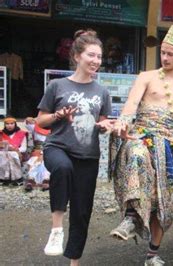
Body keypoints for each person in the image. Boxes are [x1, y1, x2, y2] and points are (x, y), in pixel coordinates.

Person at [109, 24, 173, 266]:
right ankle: (131, 217)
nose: (164, 57)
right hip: (141, 136)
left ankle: (152, 254)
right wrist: (122, 123)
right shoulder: (146, 77)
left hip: (168, 147)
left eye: (170, 54)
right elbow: (130, 106)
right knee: (138, 155)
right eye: (162, 52)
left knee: (163, 205)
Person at [36, 29, 113, 266]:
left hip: (88, 156)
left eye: (99, 57)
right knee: (62, 168)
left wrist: (105, 126)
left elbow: (103, 121)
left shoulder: (102, 92)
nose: (96, 61)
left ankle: (74, 262)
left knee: (81, 212)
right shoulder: (58, 85)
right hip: (58, 147)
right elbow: (40, 120)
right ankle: (57, 229)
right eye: (91, 55)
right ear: (77, 56)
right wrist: (59, 115)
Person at [24, 121, 51, 192]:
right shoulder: (35, 127)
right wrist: (31, 120)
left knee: (46, 162)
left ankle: (46, 181)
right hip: (37, 151)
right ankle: (31, 180)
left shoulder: (55, 128)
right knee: (34, 162)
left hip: (50, 151)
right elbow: (28, 123)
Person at [0, 116, 27, 186]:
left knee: (12, 154)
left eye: (12, 123)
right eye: (7, 124)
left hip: (17, 153)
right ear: (5, 125)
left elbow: (24, 148)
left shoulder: (21, 134)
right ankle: (3, 178)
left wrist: (15, 150)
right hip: (3, 152)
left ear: (15, 124)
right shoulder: (1, 134)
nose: (9, 126)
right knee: (4, 155)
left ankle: (17, 178)